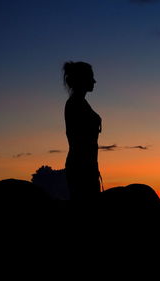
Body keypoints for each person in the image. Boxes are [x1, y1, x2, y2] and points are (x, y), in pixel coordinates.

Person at [62, 61, 102, 203]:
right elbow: (77, 140)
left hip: (85, 166)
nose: (94, 81)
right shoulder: (75, 104)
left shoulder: (79, 103)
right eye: (91, 77)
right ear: (82, 79)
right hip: (82, 168)